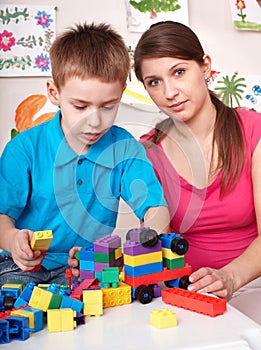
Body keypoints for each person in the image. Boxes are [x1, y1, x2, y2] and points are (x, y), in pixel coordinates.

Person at [0, 22, 170, 287]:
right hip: (18, 265)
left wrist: (138, 244)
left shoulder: (124, 148)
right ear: (54, 93)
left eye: (108, 106)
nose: (94, 122)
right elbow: (2, 216)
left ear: (121, 94)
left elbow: (155, 210)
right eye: (80, 106)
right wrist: (13, 241)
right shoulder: (24, 149)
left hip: (86, 266)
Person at [134, 21, 261, 303]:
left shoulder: (254, 131)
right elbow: (154, 241)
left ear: (205, 66)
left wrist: (229, 277)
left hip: (253, 287)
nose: (169, 93)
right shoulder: (147, 152)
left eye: (179, 72)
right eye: (154, 82)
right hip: (187, 293)